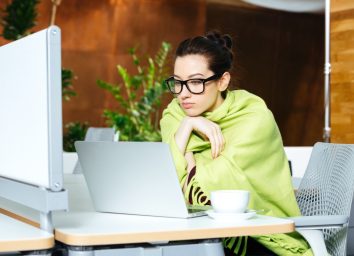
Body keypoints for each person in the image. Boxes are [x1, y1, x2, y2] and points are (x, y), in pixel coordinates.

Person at [160, 31, 313, 256]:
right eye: (178, 83)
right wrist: (186, 127)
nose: (183, 94)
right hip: (197, 233)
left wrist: (188, 160)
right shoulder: (175, 117)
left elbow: (214, 190)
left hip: (260, 238)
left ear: (222, 81)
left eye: (195, 82)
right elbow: (164, 186)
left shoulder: (254, 117)